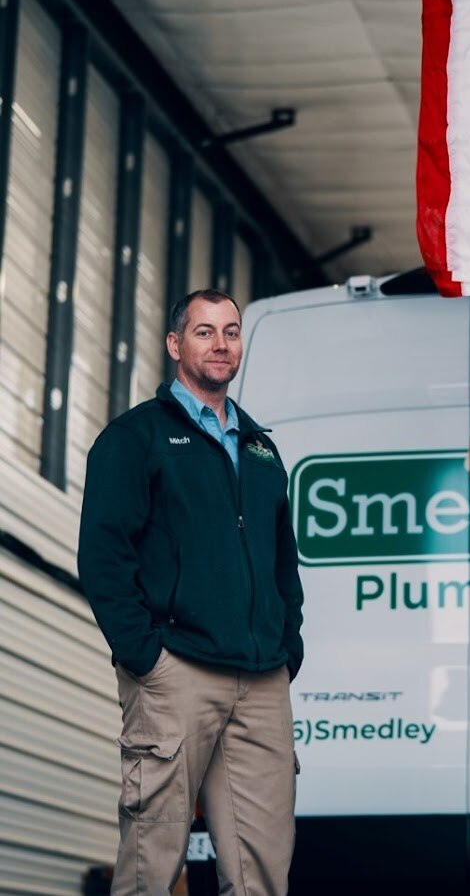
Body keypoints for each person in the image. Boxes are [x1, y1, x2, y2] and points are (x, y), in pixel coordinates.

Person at [78, 288, 303, 896]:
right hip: (175, 672)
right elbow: (103, 555)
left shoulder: (261, 449)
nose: (221, 344)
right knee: (154, 862)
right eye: (205, 332)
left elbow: (284, 561)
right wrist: (144, 656)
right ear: (176, 344)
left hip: (260, 679)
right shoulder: (135, 438)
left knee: (262, 874)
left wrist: (288, 647)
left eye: (231, 331)